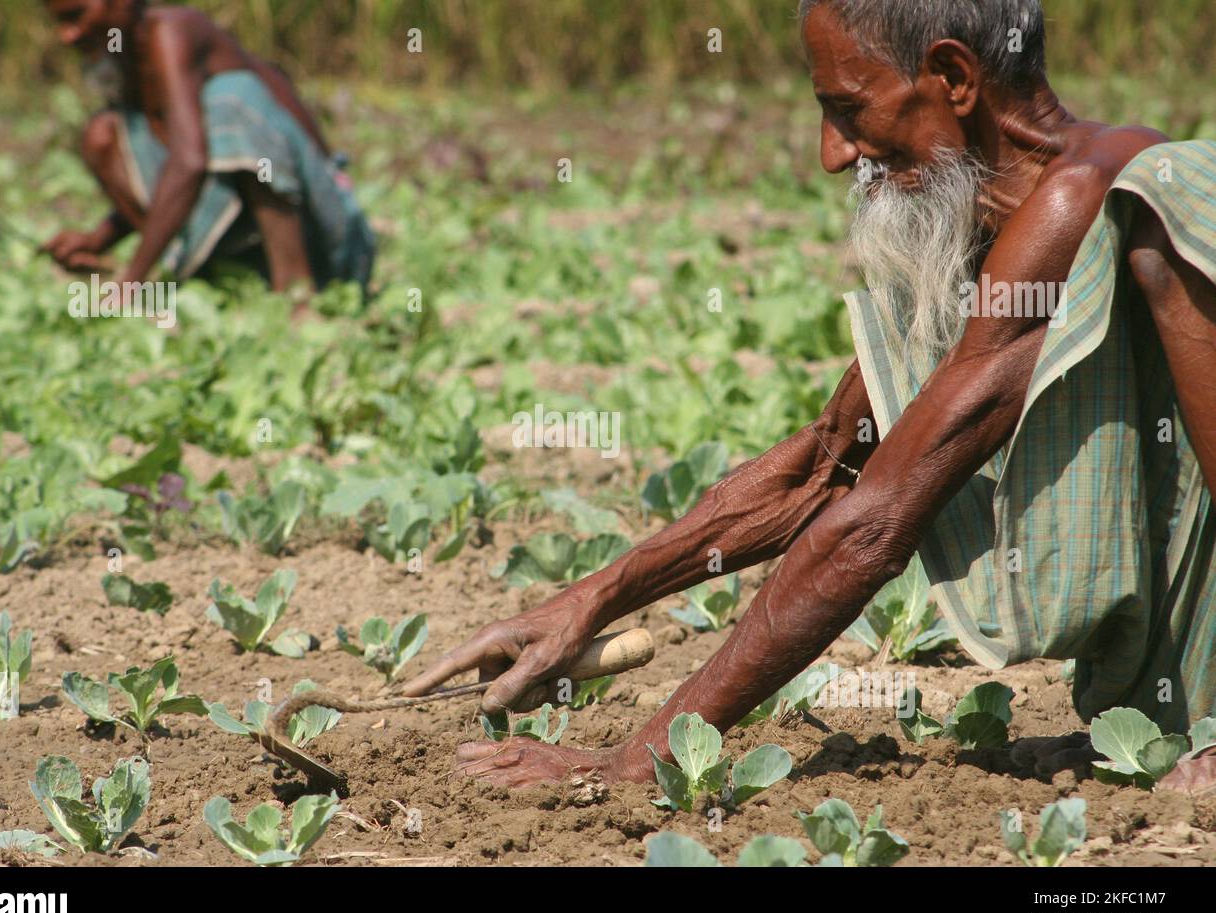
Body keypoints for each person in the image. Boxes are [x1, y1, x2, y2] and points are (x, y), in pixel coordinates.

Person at [403, 0, 1216, 791]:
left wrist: (640, 756)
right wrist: (587, 602)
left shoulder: (1089, 199)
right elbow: (826, 467)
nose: (833, 153)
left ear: (953, 78)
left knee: (1160, 222)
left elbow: (877, 520)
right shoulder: (986, 223)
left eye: (848, 109)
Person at [41, 0, 374, 293]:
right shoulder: (126, 63)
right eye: (59, 22)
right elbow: (173, 177)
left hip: (328, 234)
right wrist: (99, 239)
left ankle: (296, 292)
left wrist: (132, 279)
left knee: (230, 102)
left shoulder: (173, 32)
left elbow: (190, 163)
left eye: (76, 15)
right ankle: (217, 277)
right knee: (102, 135)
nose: (66, 35)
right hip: (250, 250)